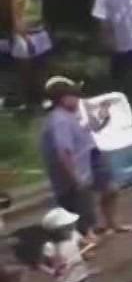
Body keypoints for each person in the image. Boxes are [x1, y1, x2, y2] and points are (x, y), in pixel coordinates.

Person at [39, 76, 118, 238]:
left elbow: (87, 130)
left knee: (110, 189)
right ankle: (84, 237)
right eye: (74, 94)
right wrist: (75, 177)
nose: (78, 97)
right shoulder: (60, 120)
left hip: (89, 156)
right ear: (63, 98)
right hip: (75, 167)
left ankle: (108, 225)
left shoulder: (70, 114)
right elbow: (64, 152)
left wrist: (103, 116)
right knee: (80, 202)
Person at [8, 0, 53, 106]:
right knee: (25, 71)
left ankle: (41, 96)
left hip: (40, 32)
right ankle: (24, 99)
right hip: (25, 34)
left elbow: (40, 13)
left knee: (42, 67)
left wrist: (46, 30)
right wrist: (26, 39)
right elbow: (17, 18)